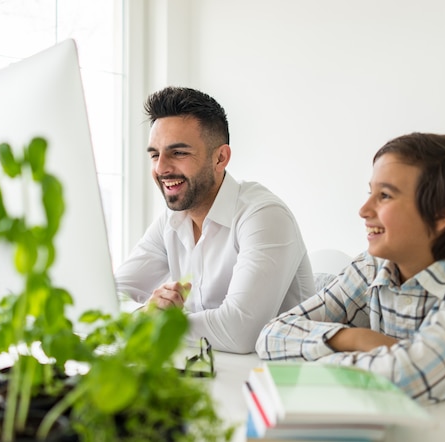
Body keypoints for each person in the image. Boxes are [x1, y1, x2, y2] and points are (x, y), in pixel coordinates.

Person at [256, 132, 445, 404]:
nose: (363, 209)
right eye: (370, 192)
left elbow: (403, 378)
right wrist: (357, 338)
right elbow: (271, 336)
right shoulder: (373, 267)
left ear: (442, 214)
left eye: (384, 195)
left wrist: (317, 356)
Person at [115, 86, 314, 354]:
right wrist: (145, 312)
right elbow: (111, 296)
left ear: (220, 158)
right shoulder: (171, 220)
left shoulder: (264, 215)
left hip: (275, 383)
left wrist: (161, 324)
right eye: (154, 155)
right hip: (210, 374)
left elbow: (239, 332)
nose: (161, 168)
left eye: (179, 153)